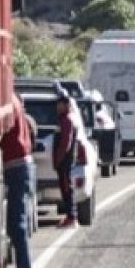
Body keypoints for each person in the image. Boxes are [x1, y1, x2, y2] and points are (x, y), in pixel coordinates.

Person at [1, 92, 36, 268]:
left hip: (16, 168)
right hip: (20, 167)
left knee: (17, 224)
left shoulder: (8, 103)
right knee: (16, 224)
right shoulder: (14, 100)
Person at [53, 86, 81, 229]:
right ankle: (70, 216)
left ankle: (72, 217)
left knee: (66, 188)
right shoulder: (64, 119)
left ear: (66, 105)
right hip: (64, 161)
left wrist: (58, 159)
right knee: (65, 188)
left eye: (60, 103)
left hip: (65, 161)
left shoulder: (67, 120)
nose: (57, 106)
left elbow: (66, 142)